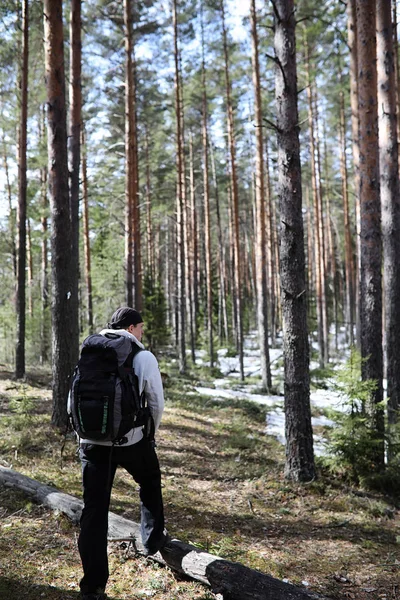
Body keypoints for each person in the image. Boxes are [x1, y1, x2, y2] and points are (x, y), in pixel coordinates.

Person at [76, 307, 167, 600]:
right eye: (140, 327)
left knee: (94, 509)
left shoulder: (90, 351)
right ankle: (152, 541)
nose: (142, 332)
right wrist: (149, 434)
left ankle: (92, 586)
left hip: (92, 444)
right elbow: (156, 401)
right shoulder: (143, 357)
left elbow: (73, 396)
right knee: (150, 479)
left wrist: (84, 436)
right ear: (130, 328)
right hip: (130, 442)